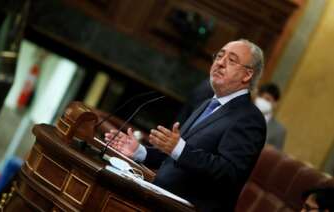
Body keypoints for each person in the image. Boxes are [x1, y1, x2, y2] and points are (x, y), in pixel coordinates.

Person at [105, 39, 266, 211]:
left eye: (231, 60)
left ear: (247, 75)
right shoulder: (207, 104)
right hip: (158, 201)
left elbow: (229, 173)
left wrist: (179, 149)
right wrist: (139, 151)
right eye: (219, 56)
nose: (220, 63)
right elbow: (176, 156)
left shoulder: (249, 118)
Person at [254, 83, 287, 150]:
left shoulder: (279, 130)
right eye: (260, 97)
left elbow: (275, 155)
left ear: (275, 104)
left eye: (267, 99)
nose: (261, 101)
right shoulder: (241, 115)